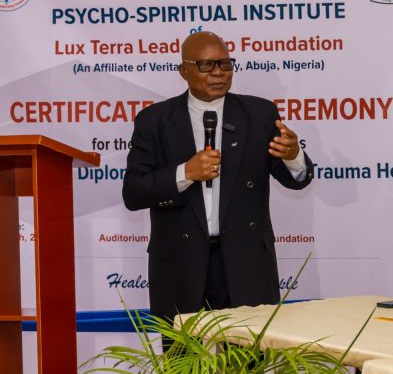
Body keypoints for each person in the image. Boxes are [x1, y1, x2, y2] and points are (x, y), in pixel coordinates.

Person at [122, 31, 313, 323]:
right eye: (206, 65)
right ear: (184, 70)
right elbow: (134, 193)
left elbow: (296, 180)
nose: (218, 73)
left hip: (245, 264)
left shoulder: (259, 114)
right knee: (183, 353)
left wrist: (293, 155)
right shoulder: (155, 120)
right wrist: (185, 173)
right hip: (180, 264)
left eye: (225, 64)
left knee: (248, 352)